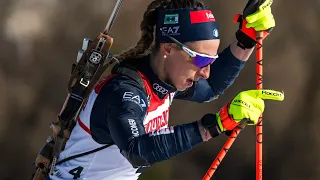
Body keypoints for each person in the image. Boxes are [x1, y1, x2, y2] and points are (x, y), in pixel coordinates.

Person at [49, 0, 284, 179]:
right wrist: (216, 125)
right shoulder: (123, 92)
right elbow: (137, 149)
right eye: (201, 61)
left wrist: (246, 40)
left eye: (211, 62)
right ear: (169, 48)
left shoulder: (164, 81)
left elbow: (211, 86)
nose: (206, 72)